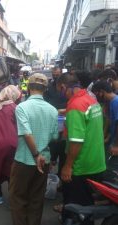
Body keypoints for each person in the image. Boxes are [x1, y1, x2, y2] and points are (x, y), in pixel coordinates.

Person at [56, 73, 106, 225]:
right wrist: (67, 112)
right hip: (96, 162)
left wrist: (68, 166)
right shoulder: (90, 99)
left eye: (60, 90)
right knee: (87, 204)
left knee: (78, 210)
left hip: (81, 166)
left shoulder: (76, 105)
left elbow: (76, 141)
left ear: (64, 87)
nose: (61, 93)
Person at [9, 73, 58, 225]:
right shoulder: (53, 110)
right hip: (44, 160)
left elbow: (27, 133)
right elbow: (54, 137)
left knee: (18, 197)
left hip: (24, 160)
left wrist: (36, 154)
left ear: (29, 87)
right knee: (36, 198)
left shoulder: (22, 107)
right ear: (45, 89)